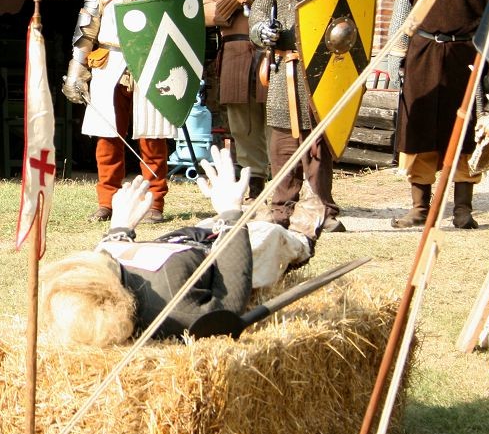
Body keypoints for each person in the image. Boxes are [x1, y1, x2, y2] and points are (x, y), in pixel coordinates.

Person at [40, 147, 314, 347]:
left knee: (242, 223)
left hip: (190, 239)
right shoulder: (177, 309)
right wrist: (231, 213)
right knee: (271, 234)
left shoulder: (103, 271)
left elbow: (109, 254)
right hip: (227, 254)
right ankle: (304, 237)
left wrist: (120, 227)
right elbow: (229, 303)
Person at [62, 0, 184, 224]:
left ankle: (154, 202)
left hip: (153, 64)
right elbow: (85, 31)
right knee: (107, 137)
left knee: (153, 137)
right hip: (110, 63)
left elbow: (182, 36)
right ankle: (108, 201)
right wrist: (76, 69)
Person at [388, 0, 489, 230]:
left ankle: (463, 208)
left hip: (468, 57)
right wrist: (395, 57)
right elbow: (402, 17)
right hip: (423, 54)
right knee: (419, 128)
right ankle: (420, 207)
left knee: (466, 132)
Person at [248, 0, 354, 233]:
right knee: (282, 144)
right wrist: (263, 30)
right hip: (287, 67)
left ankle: (324, 209)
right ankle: (281, 208)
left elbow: (352, 25)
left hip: (324, 71)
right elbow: (258, 14)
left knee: (320, 143)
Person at [203, 0, 287, 202]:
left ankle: (283, 184)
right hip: (237, 53)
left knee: (277, 118)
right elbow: (204, 15)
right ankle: (255, 182)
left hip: (274, 51)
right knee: (242, 124)